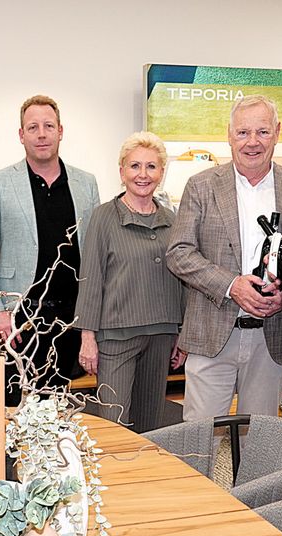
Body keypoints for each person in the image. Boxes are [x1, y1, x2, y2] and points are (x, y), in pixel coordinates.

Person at [165, 95, 282, 423]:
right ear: (229, 134)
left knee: (261, 440)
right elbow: (178, 252)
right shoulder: (201, 186)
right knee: (197, 438)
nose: (252, 142)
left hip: (271, 336)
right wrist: (232, 285)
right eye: (243, 133)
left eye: (263, 132)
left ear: (277, 132)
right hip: (211, 332)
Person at [0, 95, 99, 404]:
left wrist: (90, 324)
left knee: (59, 407)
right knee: (18, 408)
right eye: (33, 127)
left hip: (70, 319)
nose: (41, 134)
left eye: (48, 126)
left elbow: (95, 256)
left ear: (60, 131)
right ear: (21, 135)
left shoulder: (86, 183)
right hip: (19, 318)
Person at [76, 132, 186, 432]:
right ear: (121, 170)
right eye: (135, 166)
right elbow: (91, 278)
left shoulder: (172, 219)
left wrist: (181, 333)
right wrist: (88, 337)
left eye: (151, 167)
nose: (143, 174)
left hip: (162, 333)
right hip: (115, 336)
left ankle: (144, 478)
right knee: (114, 424)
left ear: (161, 173)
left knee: (151, 426)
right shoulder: (102, 217)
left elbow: (182, 278)